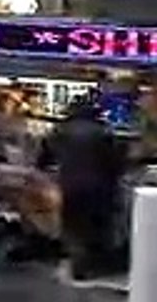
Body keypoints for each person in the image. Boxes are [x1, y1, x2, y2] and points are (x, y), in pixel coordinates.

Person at [45, 97, 125, 281]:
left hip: (70, 184)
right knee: (95, 227)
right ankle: (93, 266)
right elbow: (115, 162)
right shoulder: (104, 132)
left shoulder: (60, 130)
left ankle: (77, 265)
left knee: (73, 226)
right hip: (99, 187)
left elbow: (45, 157)